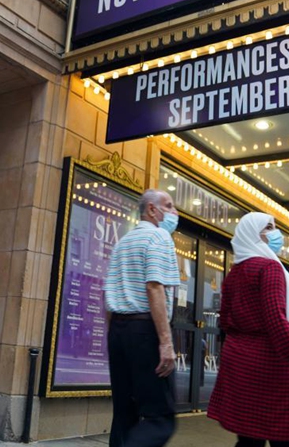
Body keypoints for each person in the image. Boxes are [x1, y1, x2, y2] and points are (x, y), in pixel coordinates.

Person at [208, 212, 289, 447]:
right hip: (273, 366)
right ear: (253, 233)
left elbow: (226, 322)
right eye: (269, 228)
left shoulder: (234, 274)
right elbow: (276, 321)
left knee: (249, 439)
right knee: (284, 439)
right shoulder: (269, 267)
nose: (276, 234)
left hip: (241, 363)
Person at [104, 189, 180, 447]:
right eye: (168, 206)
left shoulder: (123, 242)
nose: (174, 212)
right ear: (151, 209)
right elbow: (154, 287)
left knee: (124, 414)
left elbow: (107, 293)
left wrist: (114, 333)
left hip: (118, 330)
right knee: (161, 417)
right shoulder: (159, 236)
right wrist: (166, 342)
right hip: (144, 330)